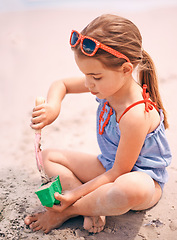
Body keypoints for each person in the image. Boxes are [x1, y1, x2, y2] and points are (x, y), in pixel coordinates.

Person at [24, 14, 172, 234]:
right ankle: (92, 207)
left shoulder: (135, 114)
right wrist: (54, 107)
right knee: (49, 157)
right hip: (109, 165)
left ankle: (68, 211)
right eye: (85, 75)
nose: (88, 83)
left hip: (138, 180)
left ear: (125, 69)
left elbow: (119, 173)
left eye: (95, 76)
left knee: (133, 187)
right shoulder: (107, 85)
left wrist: (73, 196)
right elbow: (61, 84)